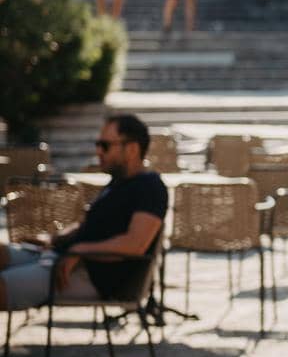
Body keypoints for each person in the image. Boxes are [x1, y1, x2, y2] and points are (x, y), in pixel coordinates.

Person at [0, 113, 167, 312]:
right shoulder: (118, 181)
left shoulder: (150, 188)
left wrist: (79, 250)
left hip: (94, 276)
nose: (98, 151)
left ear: (132, 149)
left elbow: (135, 244)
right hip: (64, 256)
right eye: (98, 144)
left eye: (105, 145)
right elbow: (89, 226)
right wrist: (53, 239)